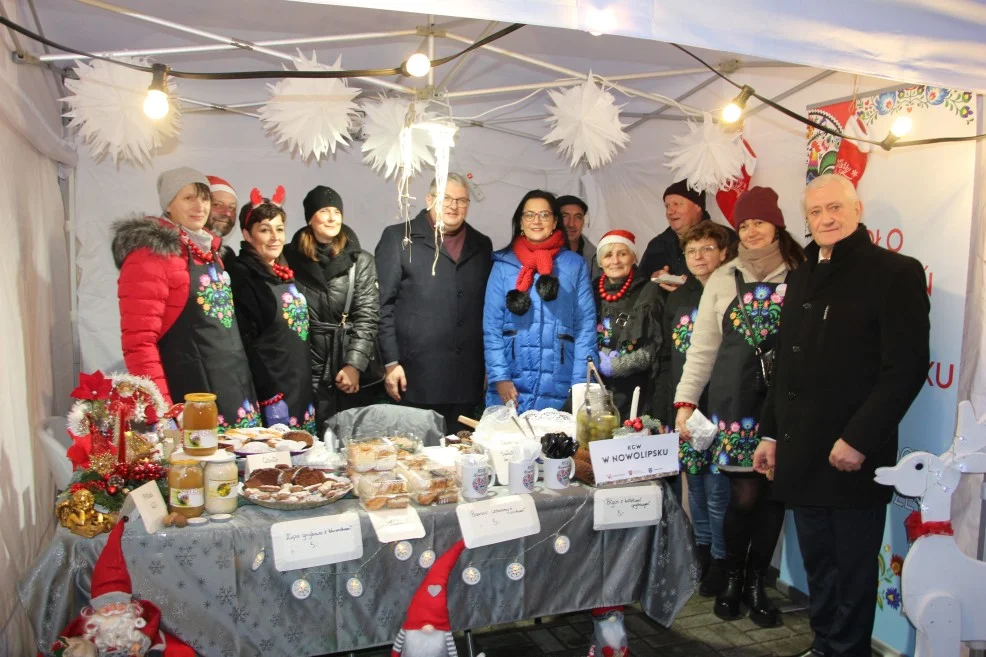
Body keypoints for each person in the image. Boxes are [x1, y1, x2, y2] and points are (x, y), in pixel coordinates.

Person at [753, 174, 929, 657]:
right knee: (819, 565)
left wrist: (859, 439)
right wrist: (770, 435)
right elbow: (785, 366)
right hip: (801, 450)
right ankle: (824, 644)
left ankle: (847, 651)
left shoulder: (895, 272)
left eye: (835, 208)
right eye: (815, 212)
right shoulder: (802, 274)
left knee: (851, 569)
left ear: (857, 209)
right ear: (805, 220)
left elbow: (906, 368)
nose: (826, 219)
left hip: (852, 453)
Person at [674, 186, 806, 627]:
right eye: (744, 223)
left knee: (773, 499)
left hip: (785, 399)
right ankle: (732, 575)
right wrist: (686, 401)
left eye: (759, 222)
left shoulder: (802, 272)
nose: (751, 231)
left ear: (776, 224)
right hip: (736, 400)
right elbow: (703, 349)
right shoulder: (722, 277)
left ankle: (755, 583)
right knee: (744, 496)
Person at [113, 166, 259, 427]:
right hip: (189, 395)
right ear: (168, 204)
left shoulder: (211, 254)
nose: (199, 206)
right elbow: (139, 342)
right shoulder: (149, 255)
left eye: (204, 198)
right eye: (188, 197)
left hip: (234, 393)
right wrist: (163, 410)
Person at [376, 173, 493, 433]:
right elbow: (382, 306)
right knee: (418, 462)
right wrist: (391, 363)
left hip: (466, 378)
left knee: (460, 459)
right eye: (446, 198)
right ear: (429, 199)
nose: (453, 206)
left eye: (461, 200)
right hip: (415, 377)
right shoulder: (398, 238)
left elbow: (487, 310)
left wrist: (489, 366)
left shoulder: (482, 245)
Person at [655, 221, 732, 596]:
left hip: (721, 406)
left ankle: (721, 558)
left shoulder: (731, 293)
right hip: (686, 408)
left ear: (723, 252)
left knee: (719, 489)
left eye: (707, 249)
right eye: (692, 251)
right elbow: (670, 356)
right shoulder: (678, 298)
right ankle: (701, 551)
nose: (699, 257)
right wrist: (674, 405)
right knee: (695, 484)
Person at [484, 190, 596, 412]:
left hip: (560, 378)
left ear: (555, 222)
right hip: (512, 381)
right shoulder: (503, 264)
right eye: (529, 215)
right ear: (520, 222)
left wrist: (581, 384)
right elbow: (491, 327)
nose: (536, 220)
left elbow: (585, 327)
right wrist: (500, 376)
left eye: (544, 215)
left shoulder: (575, 265)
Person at [284, 185, 380, 435]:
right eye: (324, 211)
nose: (331, 217)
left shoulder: (361, 261)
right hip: (302, 363)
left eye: (336, 211)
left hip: (344, 367)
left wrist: (354, 365)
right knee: (302, 444)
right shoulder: (287, 258)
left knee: (347, 443)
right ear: (309, 218)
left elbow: (368, 317)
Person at [227, 187, 316, 433]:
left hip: (298, 386)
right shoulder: (243, 275)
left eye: (279, 229)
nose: (275, 237)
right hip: (271, 390)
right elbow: (246, 343)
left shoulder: (280, 269)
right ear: (247, 234)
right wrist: (269, 396)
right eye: (265, 230)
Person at [592, 229, 663, 419]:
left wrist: (616, 365)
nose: (615, 261)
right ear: (600, 262)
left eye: (622, 254)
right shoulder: (590, 291)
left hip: (633, 394)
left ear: (633, 257)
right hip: (594, 389)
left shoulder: (649, 293)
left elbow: (652, 349)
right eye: (608, 255)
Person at [638, 179, 737, 287]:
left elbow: (738, 281)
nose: (670, 212)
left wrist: (688, 289)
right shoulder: (657, 244)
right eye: (667, 206)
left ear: (697, 206)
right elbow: (638, 284)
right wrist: (653, 279)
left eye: (677, 204)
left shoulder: (725, 237)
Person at [558, 194, 601, 280]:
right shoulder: (542, 254)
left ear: (583, 221)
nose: (571, 224)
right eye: (564, 216)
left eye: (578, 217)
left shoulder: (596, 256)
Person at [205, 175, 238, 264]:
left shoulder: (228, 257)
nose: (227, 213)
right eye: (217, 205)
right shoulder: (181, 249)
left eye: (232, 207)